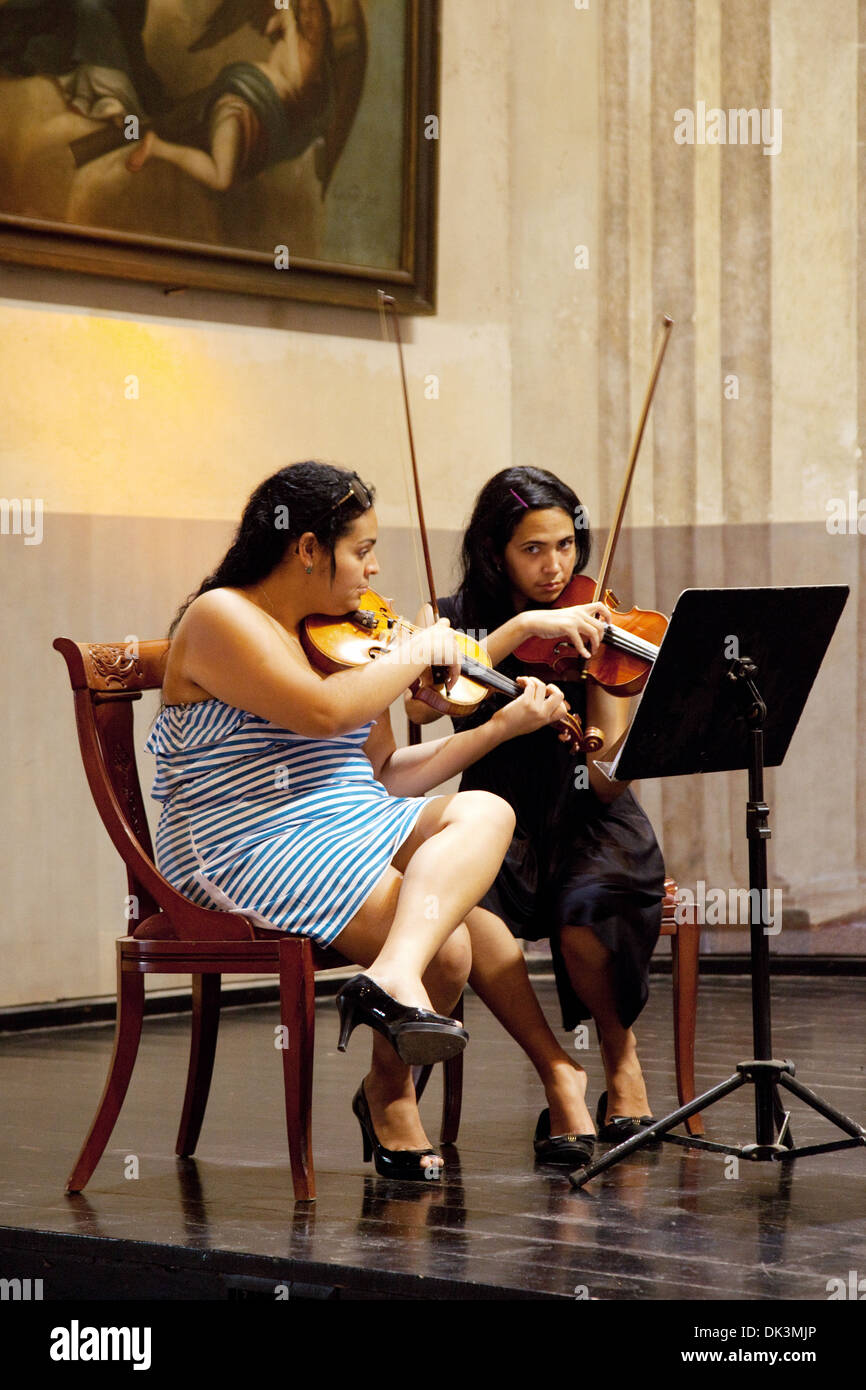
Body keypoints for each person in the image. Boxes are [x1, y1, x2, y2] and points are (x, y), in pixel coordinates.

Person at [147, 461, 606, 1180]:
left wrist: (501, 726)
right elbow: (326, 711)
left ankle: (391, 977)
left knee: (486, 807)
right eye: (361, 548)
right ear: (306, 549)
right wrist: (419, 652)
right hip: (242, 842)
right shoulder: (222, 618)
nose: (374, 567)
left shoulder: (343, 632)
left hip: (345, 819)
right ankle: (391, 1094)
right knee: (450, 947)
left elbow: (387, 773)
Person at [406, 466, 666, 1142]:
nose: (555, 568)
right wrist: (522, 628)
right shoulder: (451, 620)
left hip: (586, 813)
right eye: (533, 550)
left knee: (589, 906)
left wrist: (616, 755)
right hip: (491, 812)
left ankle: (620, 1053)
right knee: (472, 911)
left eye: (564, 545)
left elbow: (606, 767)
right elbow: (417, 699)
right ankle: (556, 1069)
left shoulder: (595, 614)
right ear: (496, 551)